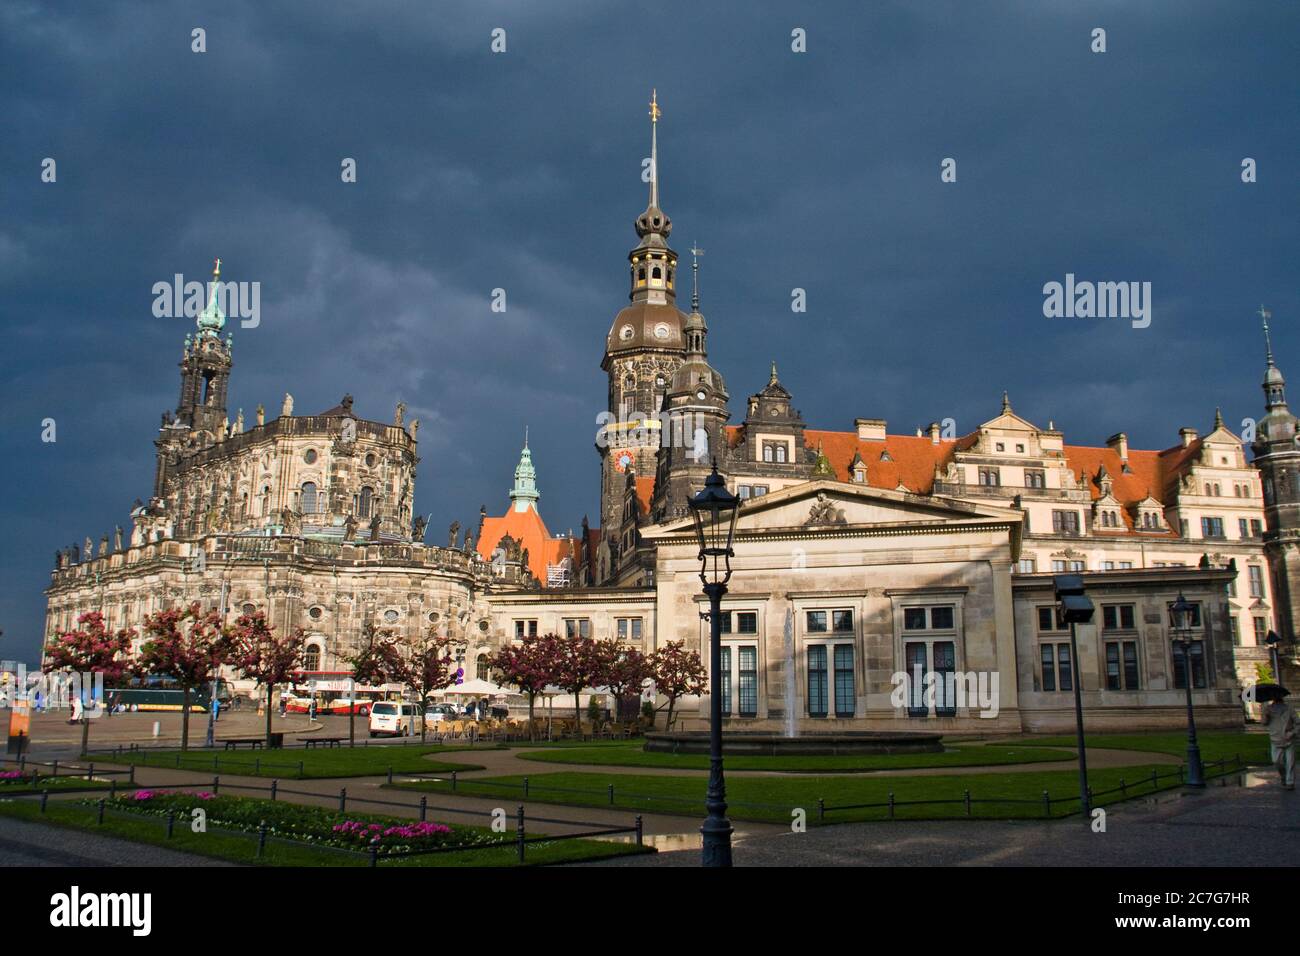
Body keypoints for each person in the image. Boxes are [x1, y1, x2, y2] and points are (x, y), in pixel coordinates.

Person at [1264, 695, 1297, 790]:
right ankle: (1284, 776)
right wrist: (1265, 715)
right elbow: (1264, 723)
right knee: (1276, 761)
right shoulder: (1268, 709)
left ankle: (1290, 782)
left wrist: (1293, 733)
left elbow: (1297, 722)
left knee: (1290, 762)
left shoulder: (1289, 709)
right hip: (1275, 739)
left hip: (1288, 738)